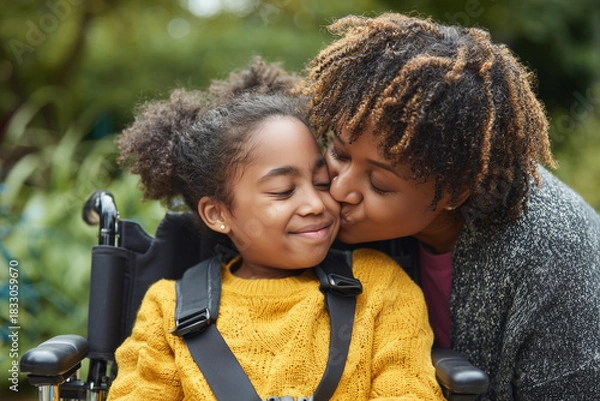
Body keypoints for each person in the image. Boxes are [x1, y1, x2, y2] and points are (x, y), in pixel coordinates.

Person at [299, 12, 600, 401]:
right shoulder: (332, 212)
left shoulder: (556, 253)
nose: (340, 189)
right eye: (339, 153)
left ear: (456, 192)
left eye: (378, 183)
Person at [106, 58, 445, 401]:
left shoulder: (380, 286)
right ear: (218, 213)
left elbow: (408, 390)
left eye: (322, 181)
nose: (316, 204)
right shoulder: (169, 307)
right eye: (283, 190)